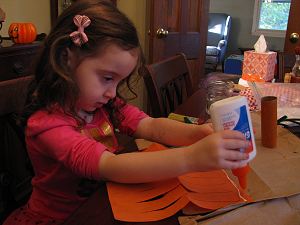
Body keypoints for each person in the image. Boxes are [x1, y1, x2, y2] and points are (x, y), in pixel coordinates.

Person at [3, 0, 249, 224]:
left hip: (107, 202)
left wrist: (198, 134)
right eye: (107, 78)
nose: (112, 92)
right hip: (63, 218)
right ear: (67, 59)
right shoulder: (47, 126)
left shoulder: (104, 105)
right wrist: (191, 158)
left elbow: (151, 126)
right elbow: (110, 165)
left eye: (118, 82)